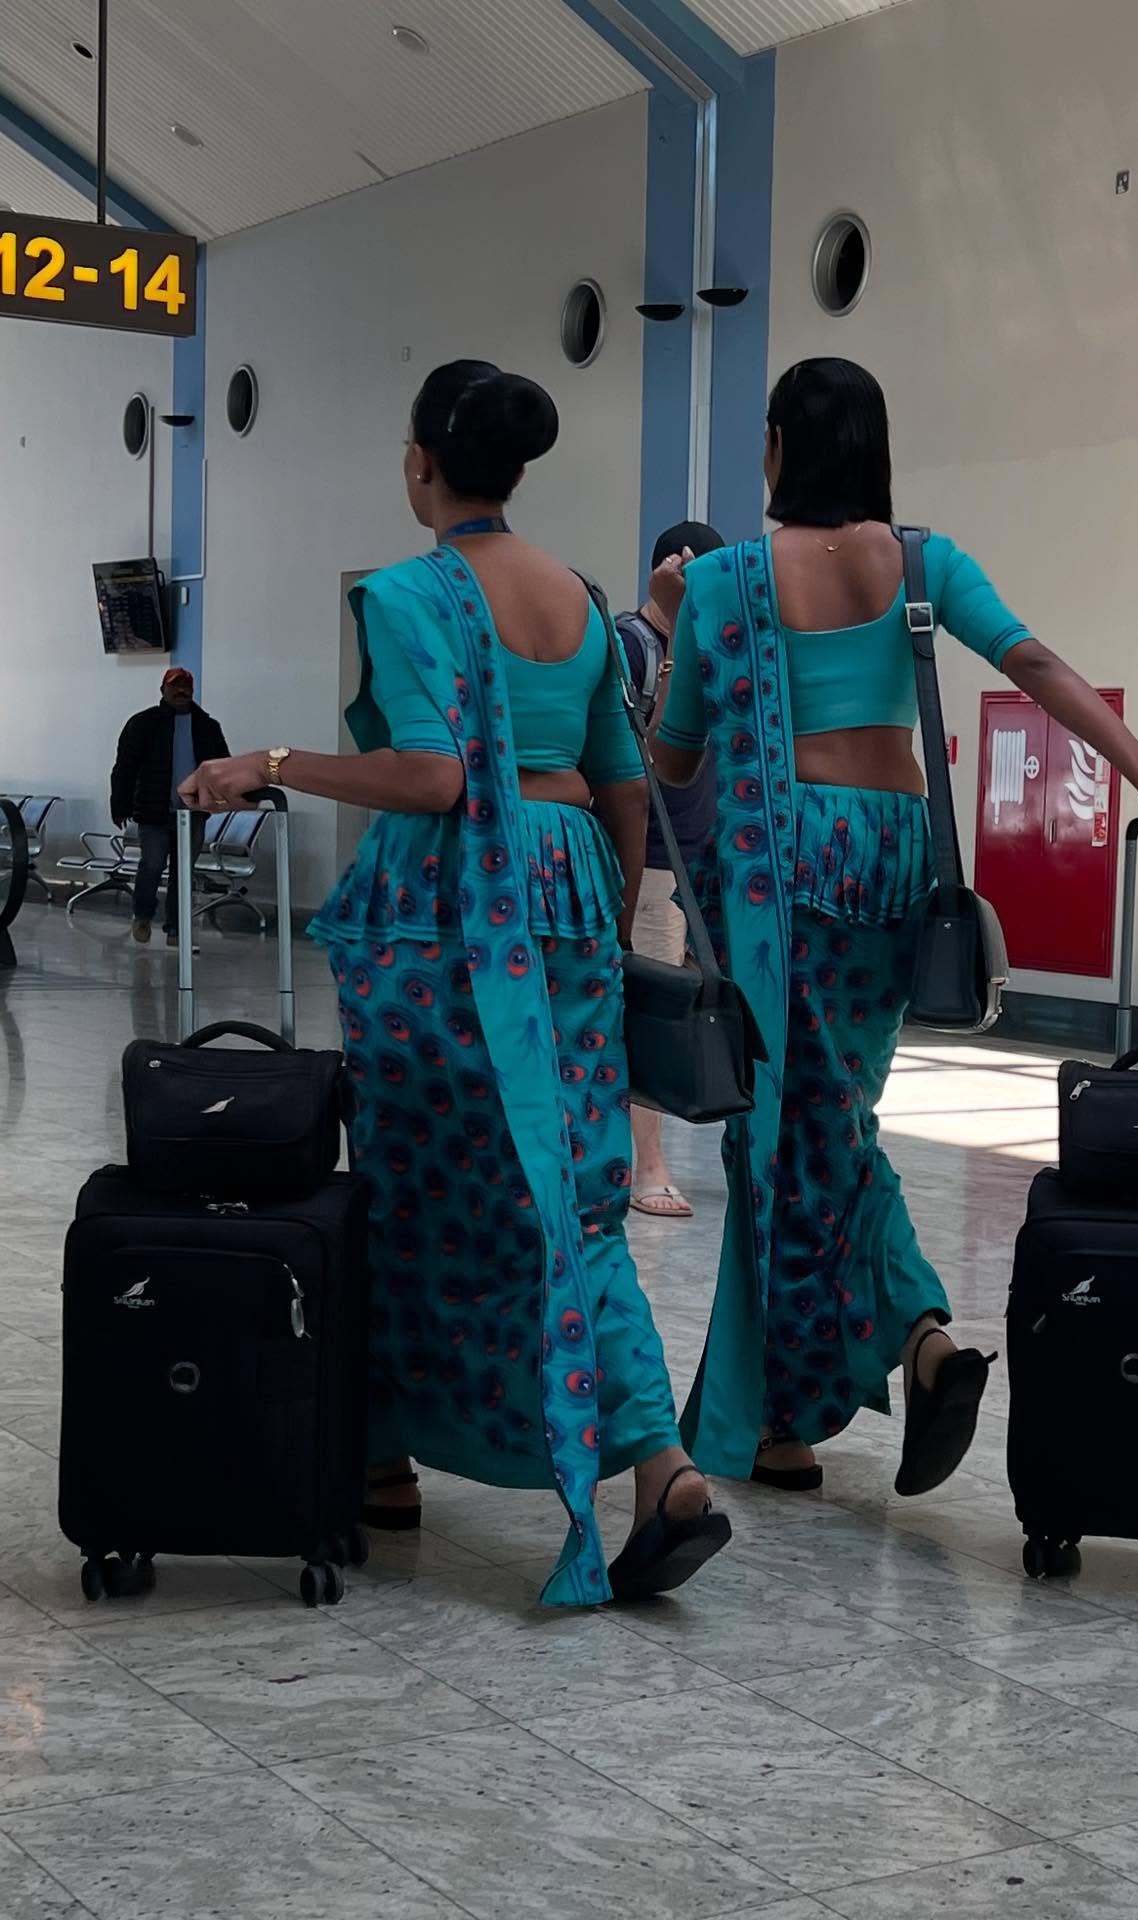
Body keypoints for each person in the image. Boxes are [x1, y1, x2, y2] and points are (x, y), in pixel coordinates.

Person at [179, 359, 731, 1607]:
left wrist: (263, 763)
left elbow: (431, 778)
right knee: (573, 1189)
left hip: (449, 913)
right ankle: (641, 1465)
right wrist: (607, 914)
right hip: (574, 892)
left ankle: (398, 1459)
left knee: (412, 1181)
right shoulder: (584, 600)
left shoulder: (406, 592)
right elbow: (624, 778)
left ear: (420, 463)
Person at [651, 356, 1138, 1498]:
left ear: (778, 447)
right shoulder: (921, 561)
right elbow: (1037, 663)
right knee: (828, 1121)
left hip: (784, 858)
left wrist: (671, 628)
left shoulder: (724, 584)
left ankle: (915, 1337)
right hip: (895, 856)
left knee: (792, 1136)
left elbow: (674, 758)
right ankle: (785, 1421)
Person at [616, 519, 725, 1219]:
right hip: (654, 860)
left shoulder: (712, 648)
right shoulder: (631, 644)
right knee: (650, 1014)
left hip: (706, 855)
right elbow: (632, 754)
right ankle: (646, 1166)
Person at [110, 666, 228, 946]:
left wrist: (223, 797)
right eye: (174, 686)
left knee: (183, 871)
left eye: (185, 686)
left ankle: (176, 927)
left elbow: (223, 765)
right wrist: (120, 803)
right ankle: (142, 916)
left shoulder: (207, 727)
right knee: (151, 865)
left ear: (192, 690)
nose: (180, 691)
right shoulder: (143, 724)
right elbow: (125, 767)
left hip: (194, 812)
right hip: (154, 811)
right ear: (163, 690)